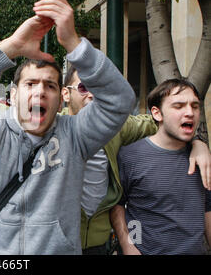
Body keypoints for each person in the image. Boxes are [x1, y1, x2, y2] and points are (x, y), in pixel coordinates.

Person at [0, 0, 136, 254]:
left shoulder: (76, 135)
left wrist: (75, 44)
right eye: (30, 83)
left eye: (50, 86)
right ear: (13, 94)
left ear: (61, 98)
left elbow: (121, 100)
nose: (40, 91)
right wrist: (11, 46)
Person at [60, 65, 211, 255]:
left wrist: (198, 142)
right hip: (55, 243)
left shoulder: (118, 128)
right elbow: (123, 206)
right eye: (84, 88)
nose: (93, 95)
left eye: (100, 89)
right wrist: (130, 245)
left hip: (96, 245)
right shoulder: (52, 130)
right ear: (66, 94)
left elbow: (165, 123)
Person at [110, 79, 211, 255]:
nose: (190, 112)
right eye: (178, 106)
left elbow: (208, 210)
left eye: (195, 106)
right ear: (157, 113)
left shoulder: (204, 160)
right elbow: (119, 206)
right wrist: (130, 245)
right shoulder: (129, 156)